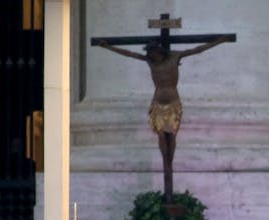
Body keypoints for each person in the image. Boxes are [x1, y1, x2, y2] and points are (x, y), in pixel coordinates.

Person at [97, 36, 229, 203]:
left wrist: (220, 41)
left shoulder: (175, 56)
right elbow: (128, 53)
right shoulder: (150, 62)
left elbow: (198, 49)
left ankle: (169, 162)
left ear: (161, 52)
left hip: (173, 102)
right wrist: (108, 47)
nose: (153, 58)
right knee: (161, 135)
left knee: (172, 135)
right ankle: (165, 162)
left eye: (155, 55)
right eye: (151, 56)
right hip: (158, 102)